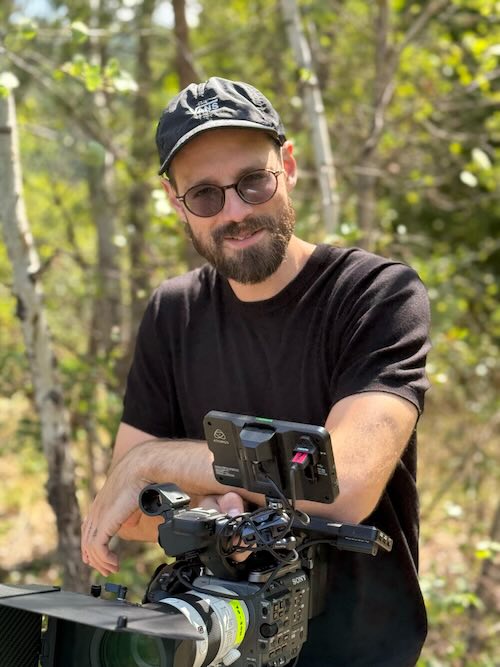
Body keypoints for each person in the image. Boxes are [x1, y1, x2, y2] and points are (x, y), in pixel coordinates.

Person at [81, 77, 431, 666]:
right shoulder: (174, 312)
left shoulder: (376, 294)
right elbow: (135, 515)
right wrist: (215, 499)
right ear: (176, 202)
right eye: (205, 195)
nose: (237, 212)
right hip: (214, 645)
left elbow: (344, 484)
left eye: (253, 181)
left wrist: (156, 463)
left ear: (287, 166)